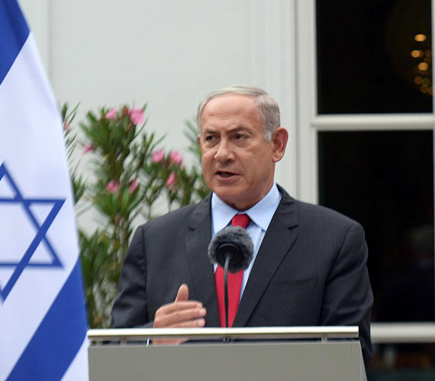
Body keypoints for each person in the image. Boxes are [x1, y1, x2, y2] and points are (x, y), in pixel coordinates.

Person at [111, 85, 373, 365]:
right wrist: (152, 338)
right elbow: (111, 351)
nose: (222, 154)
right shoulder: (154, 240)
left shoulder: (334, 239)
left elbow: (349, 354)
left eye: (238, 137)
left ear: (277, 145)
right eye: (212, 138)